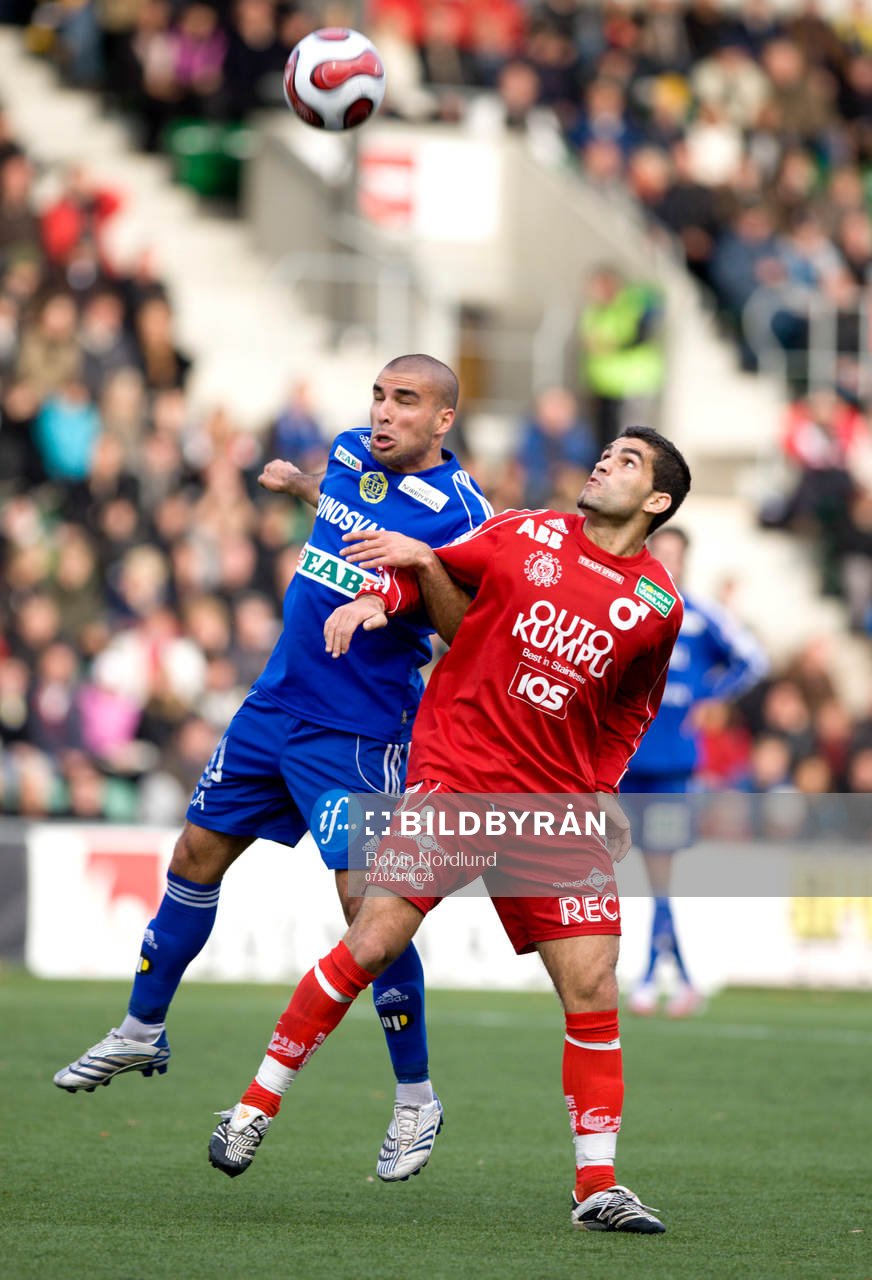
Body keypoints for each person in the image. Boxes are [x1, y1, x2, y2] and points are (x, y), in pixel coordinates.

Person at [208, 426, 692, 1235]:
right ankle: (255, 1104)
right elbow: (431, 577)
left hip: (556, 808)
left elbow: (632, 709)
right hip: (459, 776)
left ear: (657, 502)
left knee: (594, 989)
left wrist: (602, 787)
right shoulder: (523, 531)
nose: (606, 460)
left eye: (629, 461)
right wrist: (382, 598)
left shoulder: (656, 606)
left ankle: (597, 1187)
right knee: (372, 941)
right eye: (606, 450)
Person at [53, 354, 494, 1183]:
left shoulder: (465, 511)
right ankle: (143, 1029)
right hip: (272, 707)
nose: (383, 412)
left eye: (406, 401)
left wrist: (422, 565)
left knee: (370, 914)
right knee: (192, 857)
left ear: (444, 420)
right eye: (377, 395)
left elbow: (469, 630)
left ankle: (416, 1098)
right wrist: (299, 487)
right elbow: (344, 504)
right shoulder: (351, 453)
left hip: (357, 733)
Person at [622, 527, 768, 1017]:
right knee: (638, 873)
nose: (666, 562)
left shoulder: (701, 617)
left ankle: (649, 977)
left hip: (669, 769)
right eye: (658, 552)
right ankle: (677, 978)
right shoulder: (624, 609)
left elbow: (753, 659)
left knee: (658, 870)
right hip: (620, 764)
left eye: (674, 555)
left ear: (685, 562)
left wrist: (710, 699)